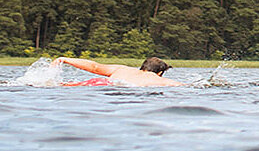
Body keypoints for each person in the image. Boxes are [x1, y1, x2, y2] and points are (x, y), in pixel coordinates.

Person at [53, 56, 183, 87]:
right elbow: (183, 86)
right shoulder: (161, 81)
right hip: (116, 86)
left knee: (66, 84)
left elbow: (93, 67)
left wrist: (64, 59)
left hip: (100, 82)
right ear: (159, 72)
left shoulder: (122, 69)